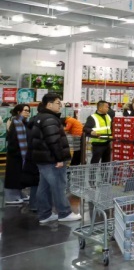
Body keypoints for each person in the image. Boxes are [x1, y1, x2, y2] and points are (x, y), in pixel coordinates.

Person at [28, 93, 80, 224]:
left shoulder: (39, 117)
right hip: (51, 159)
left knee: (44, 187)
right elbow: (53, 141)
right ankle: (64, 213)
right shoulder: (50, 119)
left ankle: (45, 214)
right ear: (49, 104)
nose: (60, 106)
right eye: (58, 103)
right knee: (58, 186)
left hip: (43, 158)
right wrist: (59, 158)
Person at [4, 104, 32, 205]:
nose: (27, 112)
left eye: (28, 111)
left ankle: (19, 194)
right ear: (18, 112)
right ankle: (11, 197)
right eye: (25, 110)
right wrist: (17, 152)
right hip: (15, 154)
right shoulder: (15, 122)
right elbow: (12, 140)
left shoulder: (23, 123)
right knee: (13, 176)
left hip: (21, 154)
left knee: (19, 175)